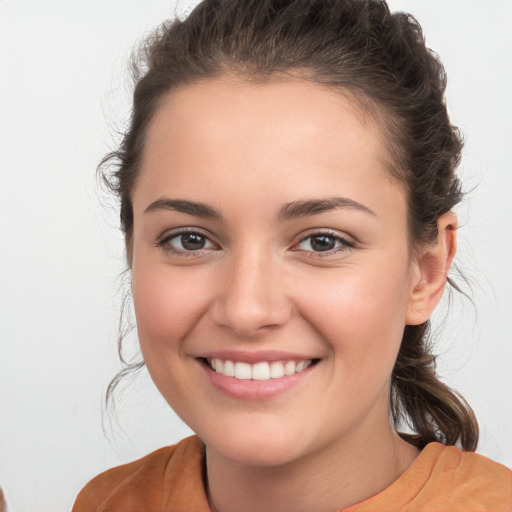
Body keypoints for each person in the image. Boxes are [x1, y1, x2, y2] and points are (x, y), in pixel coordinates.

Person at [72, 0, 512, 510]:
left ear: (425, 274)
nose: (247, 310)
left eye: (322, 241)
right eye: (190, 239)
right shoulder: (108, 502)